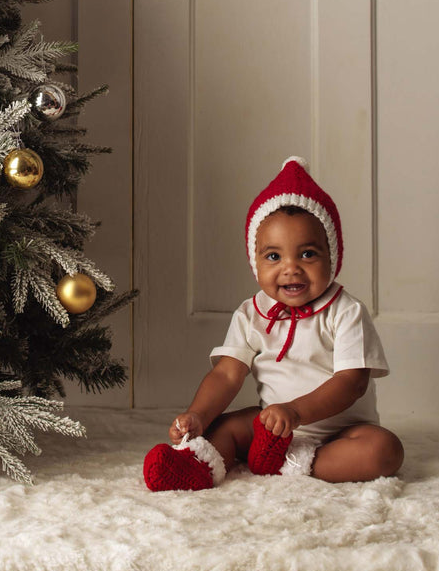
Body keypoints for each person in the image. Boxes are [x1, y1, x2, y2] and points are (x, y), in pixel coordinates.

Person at [143, 157, 404, 491]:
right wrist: (197, 416)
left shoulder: (346, 311)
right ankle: (197, 465)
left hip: (339, 433)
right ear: (255, 262)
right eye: (274, 256)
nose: (291, 268)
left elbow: (351, 382)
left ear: (332, 257)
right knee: (223, 427)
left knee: (384, 451)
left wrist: (296, 412)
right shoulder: (251, 313)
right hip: (271, 428)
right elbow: (226, 374)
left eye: (307, 254)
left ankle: (295, 462)